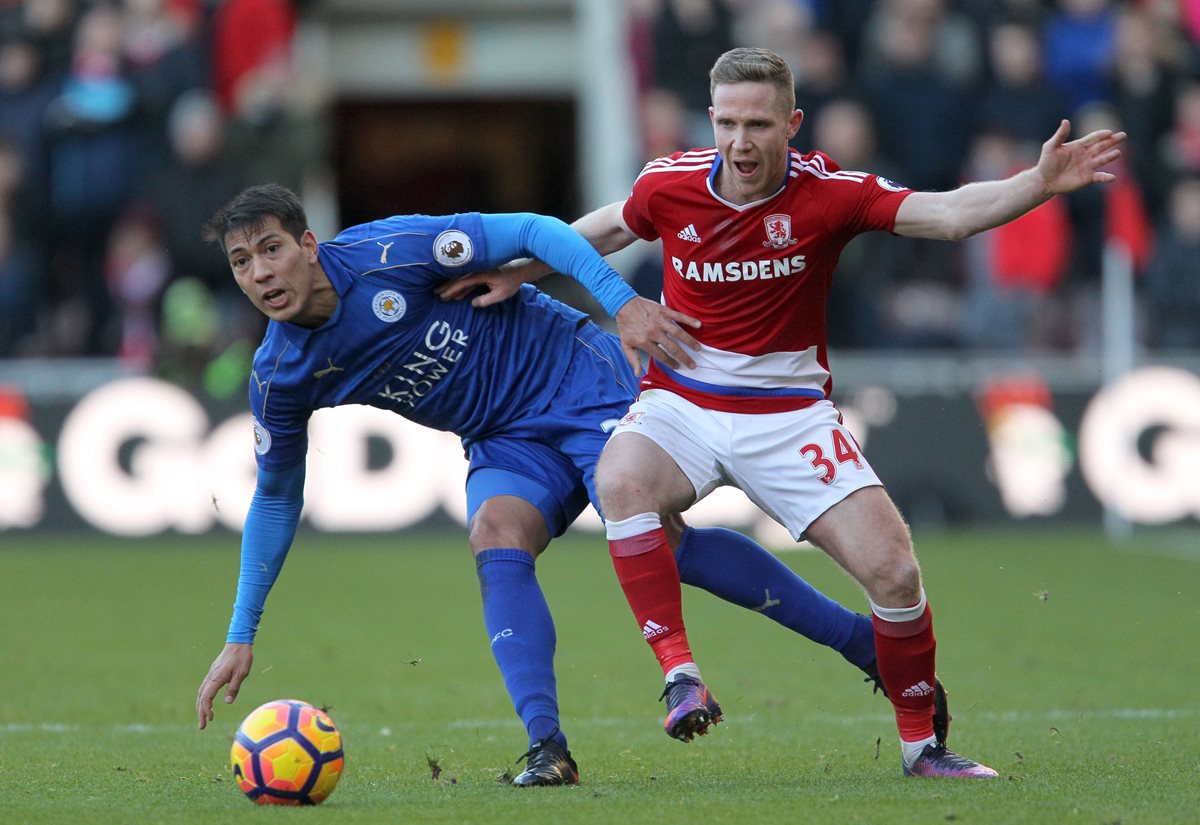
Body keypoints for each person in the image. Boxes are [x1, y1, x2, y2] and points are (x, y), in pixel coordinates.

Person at [442, 47, 1126, 778]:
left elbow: (950, 215)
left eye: (759, 125)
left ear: (791, 124)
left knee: (895, 574)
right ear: (712, 120)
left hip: (791, 414)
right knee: (620, 480)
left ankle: (923, 746)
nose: (742, 142)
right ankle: (680, 673)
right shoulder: (669, 185)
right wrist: (516, 270)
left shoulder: (830, 193)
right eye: (729, 122)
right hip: (685, 401)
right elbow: (602, 231)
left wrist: (1039, 183)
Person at [194, 183, 913, 787]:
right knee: (494, 536)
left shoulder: (391, 253)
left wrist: (620, 302)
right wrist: (240, 632)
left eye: (271, 249)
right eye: (240, 262)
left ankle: (862, 643)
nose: (259, 273)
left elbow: (536, 231)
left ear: (309, 244)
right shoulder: (280, 374)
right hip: (503, 437)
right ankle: (548, 747)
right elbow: (278, 494)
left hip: (581, 380)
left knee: (666, 545)